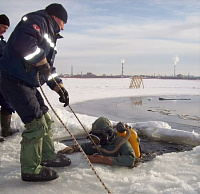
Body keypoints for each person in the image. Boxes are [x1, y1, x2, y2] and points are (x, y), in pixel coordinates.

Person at [0, 4, 71, 182]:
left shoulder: (50, 32)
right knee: (36, 123)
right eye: (63, 22)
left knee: (45, 119)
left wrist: (58, 88)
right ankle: (30, 169)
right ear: (56, 17)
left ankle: (47, 156)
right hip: (13, 80)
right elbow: (25, 44)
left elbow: (47, 68)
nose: (63, 27)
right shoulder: (37, 21)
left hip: (27, 82)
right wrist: (42, 62)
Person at [58, 117, 136, 167]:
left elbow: (130, 159)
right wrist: (74, 148)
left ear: (108, 133)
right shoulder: (100, 143)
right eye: (94, 135)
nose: (96, 139)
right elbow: (87, 146)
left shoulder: (121, 143)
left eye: (99, 135)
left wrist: (103, 159)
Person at [0, 14, 19, 142]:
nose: (4, 30)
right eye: (3, 27)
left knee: (6, 103)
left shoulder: (3, 43)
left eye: (7, 28)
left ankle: (6, 130)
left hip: (3, 79)